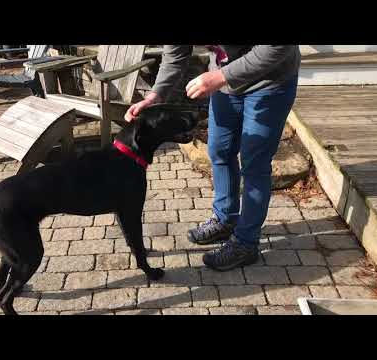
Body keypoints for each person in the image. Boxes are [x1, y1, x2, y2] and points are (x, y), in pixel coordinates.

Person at [125, 45, 301, 271]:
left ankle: (246, 242)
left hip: (269, 82)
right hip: (224, 86)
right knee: (220, 150)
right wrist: (154, 96)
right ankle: (225, 219)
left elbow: (277, 48)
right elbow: (175, 54)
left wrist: (220, 76)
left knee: (254, 164)